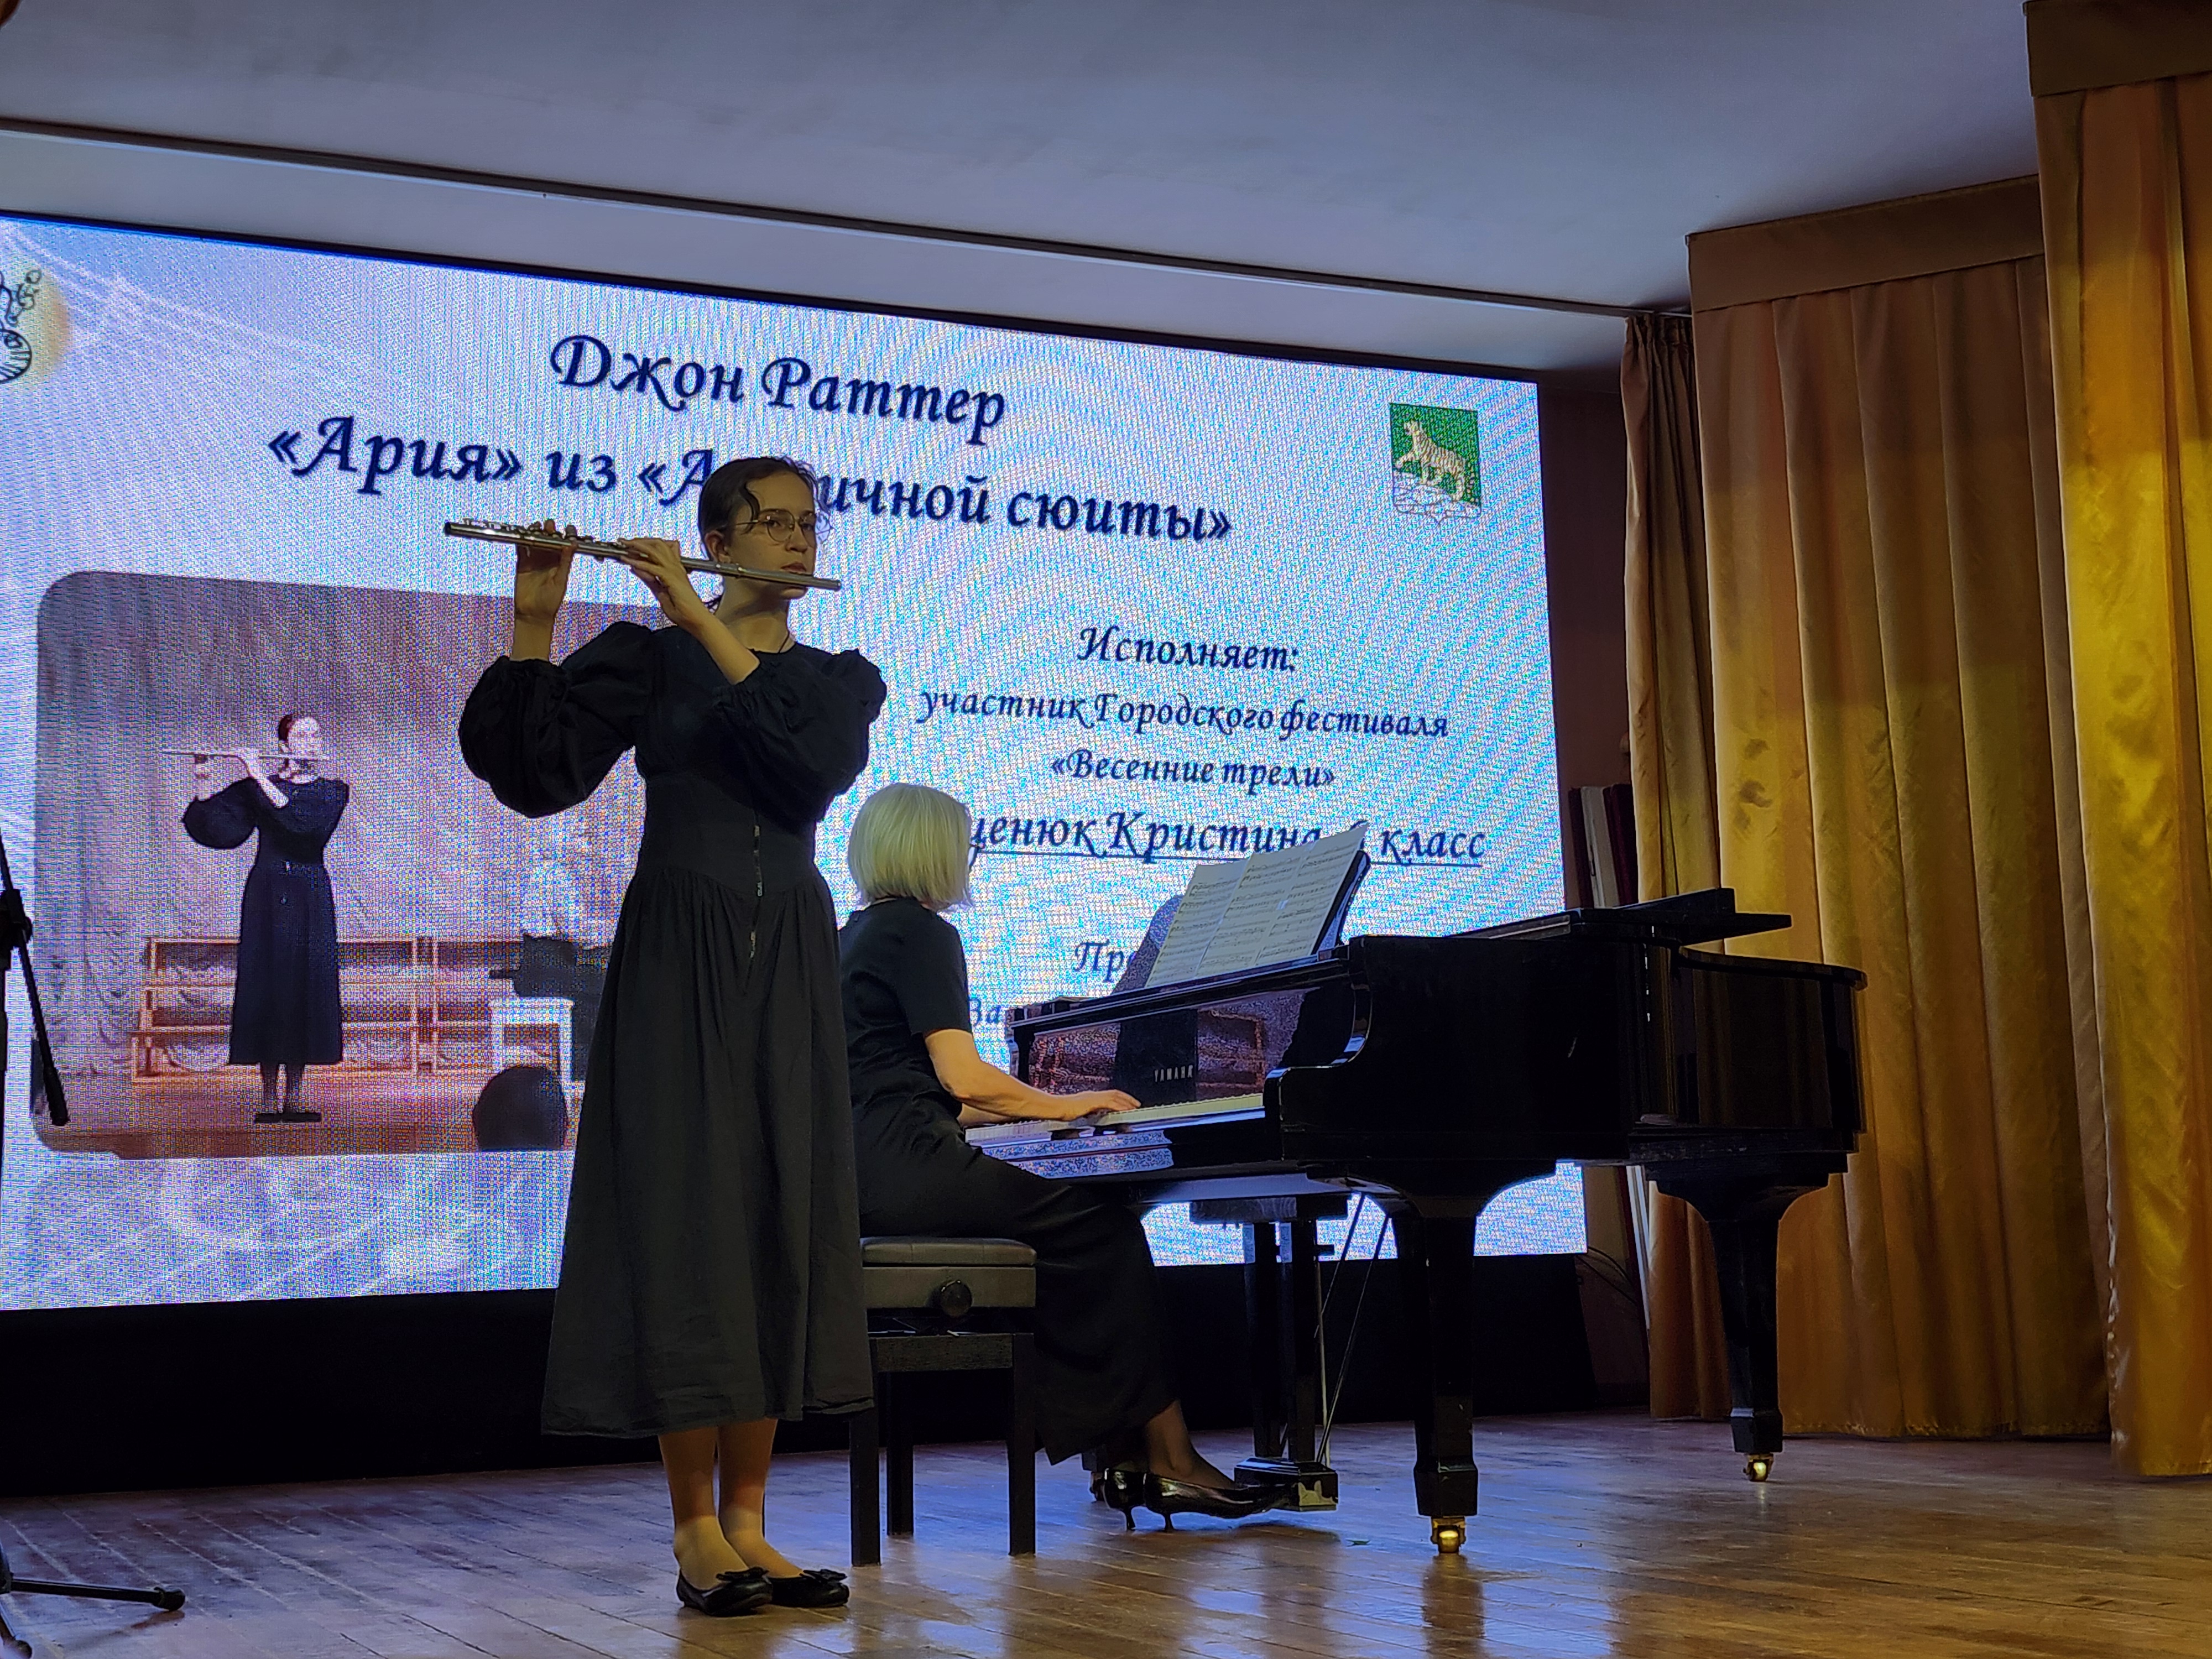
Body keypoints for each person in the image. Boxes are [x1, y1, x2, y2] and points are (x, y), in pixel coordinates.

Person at [458, 457, 880, 1616]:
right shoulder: (649, 661)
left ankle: (750, 1523)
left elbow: (809, 767)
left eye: (808, 523)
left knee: (772, 1214)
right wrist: (535, 621)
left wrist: (696, 612)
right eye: (773, 522)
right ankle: (696, 1529)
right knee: (686, 1218)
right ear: (718, 538)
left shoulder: (838, 679)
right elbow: (533, 776)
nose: (798, 540)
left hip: (787, 955)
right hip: (677, 951)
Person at [837, 782, 1288, 1528]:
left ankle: (1123, 1453)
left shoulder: (852, 935)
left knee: (1073, 1236)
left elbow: (928, 1092)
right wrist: (1065, 1104)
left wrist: (1026, 1110)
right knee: (1105, 1230)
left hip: (867, 1170)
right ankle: (1169, 1458)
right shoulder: (921, 933)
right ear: (935, 852)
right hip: (911, 1166)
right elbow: (962, 1077)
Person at [182, 714, 348, 1123]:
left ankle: (295, 1097)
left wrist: (256, 772)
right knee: (270, 987)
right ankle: (268, 1098)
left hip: (309, 894)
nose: (312, 741)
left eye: (316, 734)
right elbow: (217, 829)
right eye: (302, 735)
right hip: (268, 894)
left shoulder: (333, 791)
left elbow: (304, 827)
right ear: (285, 745)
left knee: (302, 988)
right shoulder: (260, 788)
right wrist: (203, 777)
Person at [513, 823, 614, 1079]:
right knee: (602, 989)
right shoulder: (559, 877)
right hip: (549, 971)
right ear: (562, 841)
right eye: (580, 837)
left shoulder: (541, 873)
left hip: (537, 968)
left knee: (594, 983)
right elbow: (575, 931)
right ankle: (584, 1072)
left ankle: (580, 1068)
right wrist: (612, 933)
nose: (586, 846)